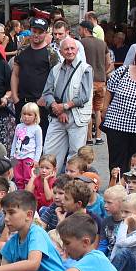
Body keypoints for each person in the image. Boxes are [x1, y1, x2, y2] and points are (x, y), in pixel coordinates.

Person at [42, 38, 93, 172]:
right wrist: (58, 109)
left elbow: (84, 96)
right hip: (57, 116)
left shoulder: (85, 68)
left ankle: (71, 187)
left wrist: (64, 106)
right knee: (50, 152)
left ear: (77, 50)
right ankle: (50, 185)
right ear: (61, 52)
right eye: (66, 49)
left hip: (77, 118)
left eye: (72, 48)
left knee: (75, 156)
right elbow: (47, 92)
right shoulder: (55, 69)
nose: (70, 51)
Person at [11, 17, 57, 137]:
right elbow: (15, 74)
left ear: (46, 33)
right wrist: (15, 96)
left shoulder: (51, 53)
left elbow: (55, 78)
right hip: (22, 101)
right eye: (34, 31)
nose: (36, 35)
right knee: (22, 137)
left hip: (41, 103)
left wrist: (45, 97)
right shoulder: (21, 50)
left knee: (41, 137)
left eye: (40, 32)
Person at [77, 20, 112, 145]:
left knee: (88, 109)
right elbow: (109, 63)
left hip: (88, 81)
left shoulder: (81, 43)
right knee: (98, 110)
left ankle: (88, 138)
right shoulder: (102, 43)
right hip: (101, 81)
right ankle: (98, 136)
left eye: (80, 29)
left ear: (86, 30)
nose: (79, 32)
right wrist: (103, 72)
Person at [11, 102, 43, 191]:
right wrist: (12, 156)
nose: (26, 117)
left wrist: (36, 160)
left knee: (28, 177)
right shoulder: (18, 126)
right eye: (24, 114)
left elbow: (39, 146)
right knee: (17, 177)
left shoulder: (37, 129)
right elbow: (14, 142)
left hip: (29, 157)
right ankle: (19, 193)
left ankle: (29, 195)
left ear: (35, 116)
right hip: (17, 157)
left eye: (29, 115)